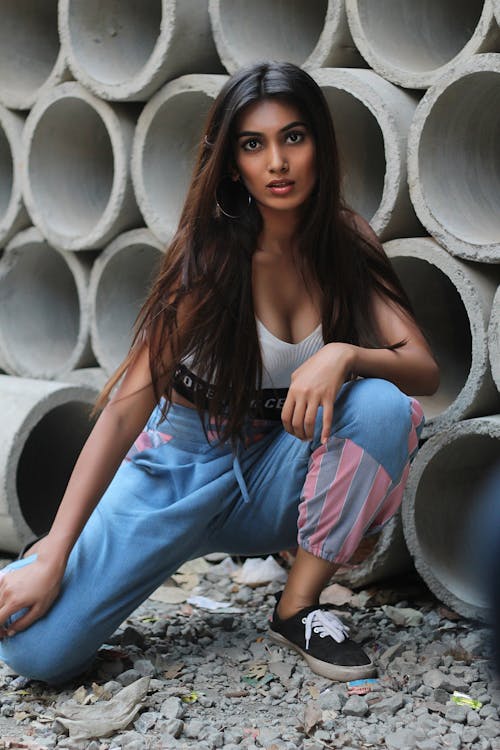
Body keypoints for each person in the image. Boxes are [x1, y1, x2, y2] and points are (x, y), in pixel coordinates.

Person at [0, 61, 439, 685]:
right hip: (174, 474)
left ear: (320, 144)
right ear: (233, 162)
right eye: (253, 144)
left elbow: (420, 369)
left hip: (274, 472)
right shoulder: (208, 260)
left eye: (294, 137)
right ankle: (34, 567)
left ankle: (299, 607)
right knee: (37, 655)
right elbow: (125, 407)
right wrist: (56, 550)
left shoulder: (346, 240)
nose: (277, 162)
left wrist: (343, 354)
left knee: (382, 406)